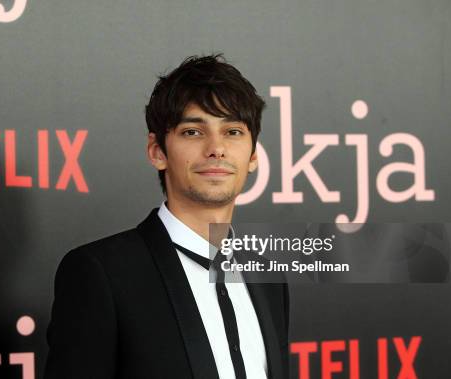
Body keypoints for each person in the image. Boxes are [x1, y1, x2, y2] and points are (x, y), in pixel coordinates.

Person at [44, 54, 289, 379]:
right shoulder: (102, 274)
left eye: (232, 131)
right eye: (193, 132)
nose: (216, 148)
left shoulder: (268, 277)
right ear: (157, 151)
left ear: (254, 155)